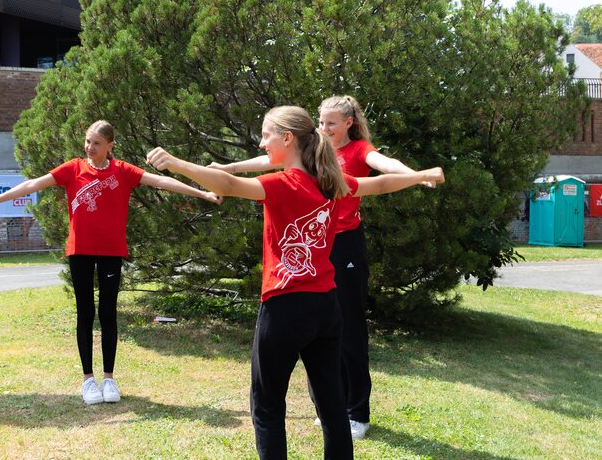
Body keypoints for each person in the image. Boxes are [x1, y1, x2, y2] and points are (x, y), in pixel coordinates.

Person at [145, 105, 444, 459]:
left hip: (284, 308)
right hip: (326, 307)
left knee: (267, 406)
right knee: (333, 406)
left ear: (287, 138)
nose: (261, 143)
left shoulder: (283, 184)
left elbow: (226, 185)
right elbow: (379, 184)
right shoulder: (332, 183)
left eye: (266, 135)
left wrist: (175, 163)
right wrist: (420, 175)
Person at [210, 95, 429, 440]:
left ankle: (357, 411)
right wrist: (229, 168)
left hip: (337, 250)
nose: (324, 128)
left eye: (331, 123)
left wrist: (416, 176)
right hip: (317, 259)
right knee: (321, 337)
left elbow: (384, 169)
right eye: (321, 122)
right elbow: (267, 159)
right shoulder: (314, 161)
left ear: (349, 123)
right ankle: (332, 408)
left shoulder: (352, 153)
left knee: (345, 330)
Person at [0, 120, 222, 405]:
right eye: (88, 141)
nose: (90, 147)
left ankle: (109, 378)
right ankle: (88, 380)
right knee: (85, 313)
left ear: (110, 145)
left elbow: (162, 181)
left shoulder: (123, 171)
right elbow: (33, 184)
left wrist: (203, 192)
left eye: (97, 143)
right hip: (80, 251)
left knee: (108, 313)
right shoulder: (73, 168)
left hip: (111, 252)